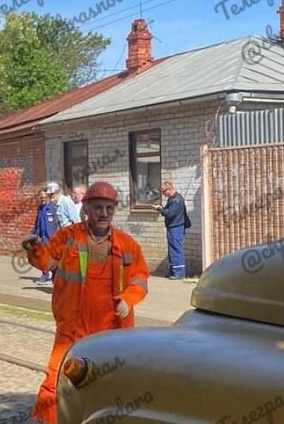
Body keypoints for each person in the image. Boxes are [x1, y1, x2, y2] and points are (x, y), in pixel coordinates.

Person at [22, 181, 149, 424]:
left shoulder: (127, 245)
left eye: (109, 209)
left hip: (112, 329)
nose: (103, 214)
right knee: (57, 375)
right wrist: (35, 250)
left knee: (112, 380)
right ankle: (43, 419)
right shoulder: (68, 237)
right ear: (86, 208)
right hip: (73, 325)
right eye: (98, 207)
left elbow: (140, 279)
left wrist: (128, 299)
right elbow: (48, 263)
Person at [152, 181, 190, 280]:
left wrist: (160, 209)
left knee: (176, 249)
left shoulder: (176, 200)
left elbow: (170, 214)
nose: (164, 195)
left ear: (169, 189)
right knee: (172, 249)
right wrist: (162, 208)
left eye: (164, 192)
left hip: (176, 227)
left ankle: (179, 273)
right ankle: (173, 271)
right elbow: (169, 211)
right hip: (174, 226)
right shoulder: (173, 199)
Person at [31, 190, 58, 285]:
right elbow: (37, 221)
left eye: (43, 197)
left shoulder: (53, 207)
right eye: (40, 197)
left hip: (52, 237)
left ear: (47, 196)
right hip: (42, 237)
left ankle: (55, 275)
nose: (42, 199)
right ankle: (45, 275)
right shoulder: (40, 208)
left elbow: (57, 222)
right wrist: (33, 233)